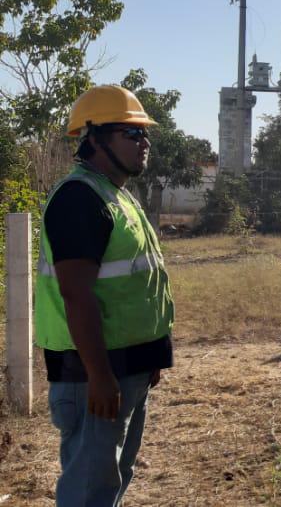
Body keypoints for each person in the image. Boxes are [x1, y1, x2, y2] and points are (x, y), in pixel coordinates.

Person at [34, 84, 175, 506]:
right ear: (93, 138)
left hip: (124, 368)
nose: (143, 143)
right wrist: (98, 375)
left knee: (110, 482)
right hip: (92, 375)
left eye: (144, 134)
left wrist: (150, 355)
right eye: (131, 134)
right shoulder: (80, 198)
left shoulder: (116, 195)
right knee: (89, 491)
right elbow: (76, 295)